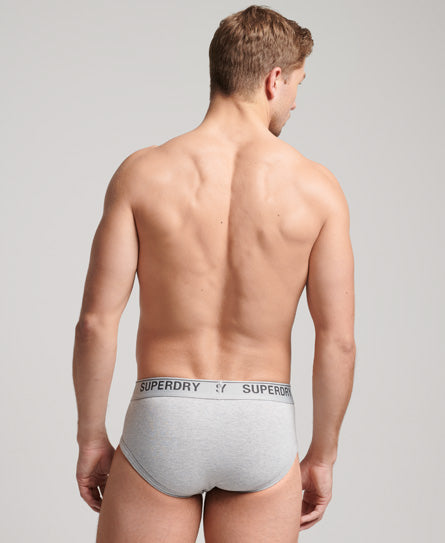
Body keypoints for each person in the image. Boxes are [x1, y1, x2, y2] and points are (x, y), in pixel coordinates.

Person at [72, 5, 356, 542]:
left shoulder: (143, 173)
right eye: (298, 84)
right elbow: (337, 340)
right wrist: (322, 455)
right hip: (262, 421)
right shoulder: (317, 188)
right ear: (274, 79)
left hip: (164, 412)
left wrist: (91, 438)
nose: (296, 101)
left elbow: (95, 323)